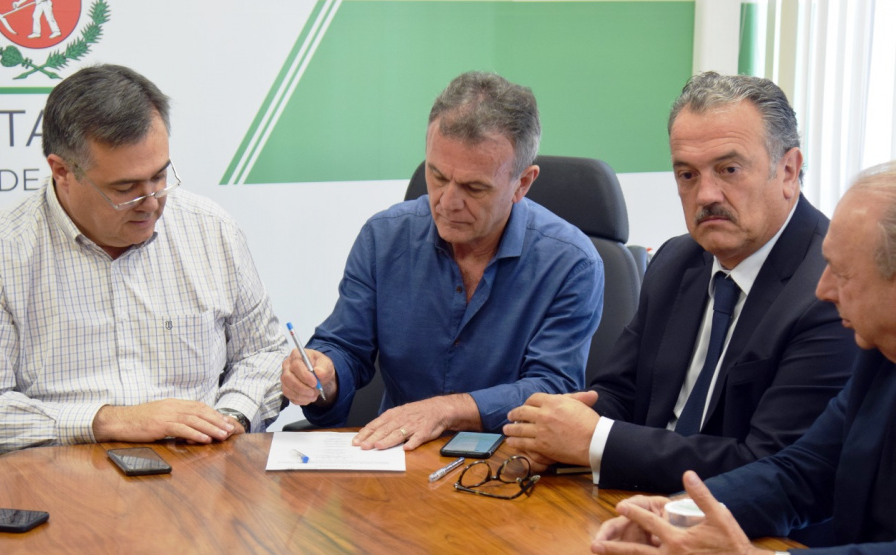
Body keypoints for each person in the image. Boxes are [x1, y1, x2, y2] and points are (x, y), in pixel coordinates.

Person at [504, 72, 857, 494]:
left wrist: (595, 440)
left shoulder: (831, 288)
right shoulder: (677, 259)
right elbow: (621, 392)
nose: (706, 194)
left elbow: (769, 463)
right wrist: (559, 429)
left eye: (728, 169)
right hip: (637, 502)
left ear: (788, 170)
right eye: (687, 175)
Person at [280, 71, 604, 451]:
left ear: (523, 183)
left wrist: (446, 409)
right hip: (399, 462)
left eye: (474, 187)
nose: (447, 202)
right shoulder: (384, 238)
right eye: (437, 176)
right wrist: (323, 375)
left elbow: (551, 389)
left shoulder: (572, 263)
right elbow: (346, 347)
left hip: (510, 467)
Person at [0, 65, 287, 460]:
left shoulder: (211, 229)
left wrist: (228, 419)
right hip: (60, 480)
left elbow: (264, 354)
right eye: (125, 188)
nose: (152, 202)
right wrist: (109, 421)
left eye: (159, 177)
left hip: (201, 474)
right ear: (62, 171)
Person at [592, 161, 896, 554]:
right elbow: (801, 473)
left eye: (842, 273)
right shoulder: (878, 356)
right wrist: (680, 513)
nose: (823, 290)